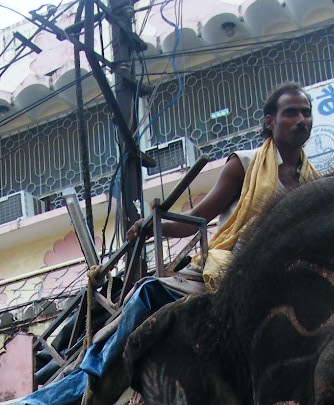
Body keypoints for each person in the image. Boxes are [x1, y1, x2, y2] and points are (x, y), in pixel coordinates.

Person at [132, 83, 318, 288]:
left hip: (296, 274)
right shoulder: (244, 164)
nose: (301, 120)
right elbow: (196, 219)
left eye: (306, 113)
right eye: (291, 113)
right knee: (150, 292)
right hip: (233, 269)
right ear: (270, 121)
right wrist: (154, 228)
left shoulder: (316, 183)